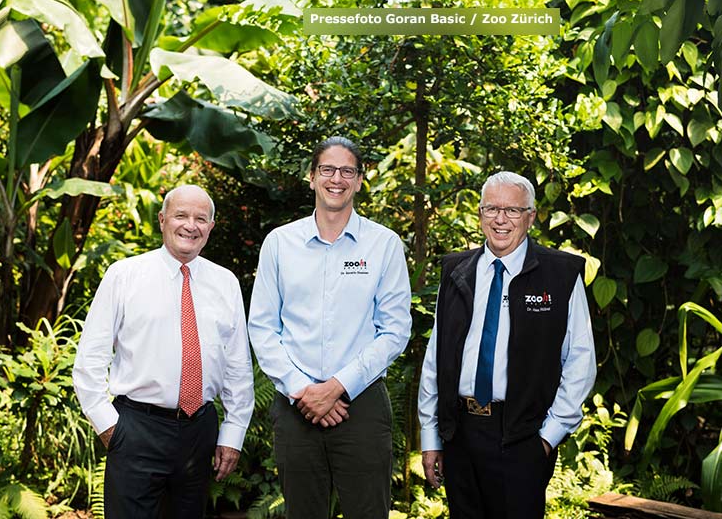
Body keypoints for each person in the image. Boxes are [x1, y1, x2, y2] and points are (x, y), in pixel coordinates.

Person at [248, 136, 412, 519]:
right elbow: (262, 327)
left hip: (363, 406)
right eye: (327, 169)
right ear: (311, 177)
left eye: (346, 171)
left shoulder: (383, 245)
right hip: (295, 407)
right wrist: (303, 390)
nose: (336, 178)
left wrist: (337, 386)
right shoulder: (279, 243)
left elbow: (394, 330)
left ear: (358, 180)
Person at [418, 171, 596, 519]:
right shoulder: (455, 272)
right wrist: (432, 437)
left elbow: (580, 361)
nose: (500, 219)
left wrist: (548, 437)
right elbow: (435, 359)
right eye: (491, 209)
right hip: (461, 435)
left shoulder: (560, 275)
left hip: (522, 437)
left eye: (512, 211)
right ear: (480, 214)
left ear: (530, 217)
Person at [72, 185, 254, 519]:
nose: (191, 225)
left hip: (199, 431)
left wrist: (233, 433)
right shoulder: (124, 275)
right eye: (181, 215)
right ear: (162, 220)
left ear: (211, 227)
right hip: (136, 427)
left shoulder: (225, 282)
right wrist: (109, 426)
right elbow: (90, 359)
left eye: (201, 218)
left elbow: (237, 366)